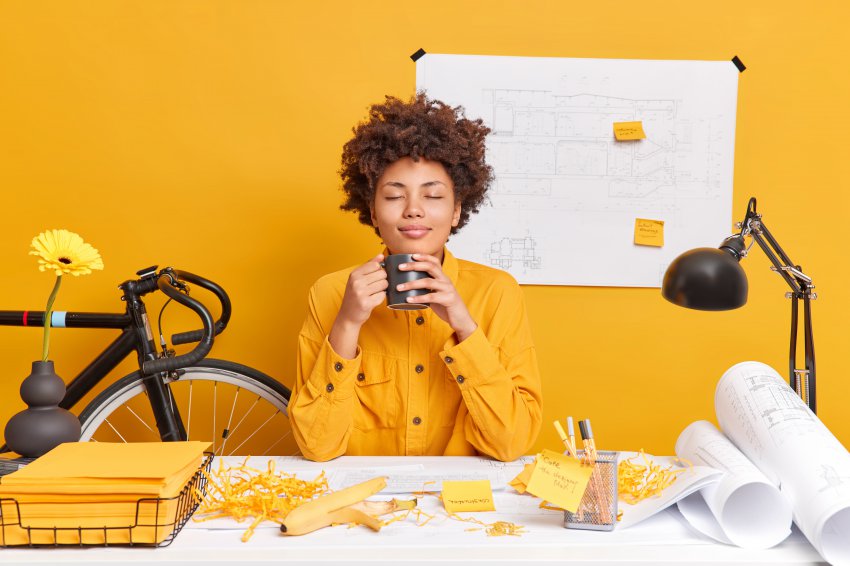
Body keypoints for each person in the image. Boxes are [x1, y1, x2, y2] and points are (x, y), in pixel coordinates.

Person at [289, 92, 542, 462]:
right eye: (394, 197)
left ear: (456, 211)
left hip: (460, 498)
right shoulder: (330, 293)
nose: (413, 210)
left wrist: (464, 325)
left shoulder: (497, 293)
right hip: (366, 494)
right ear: (372, 212)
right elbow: (317, 446)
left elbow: (511, 444)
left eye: (433, 196)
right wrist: (347, 323)